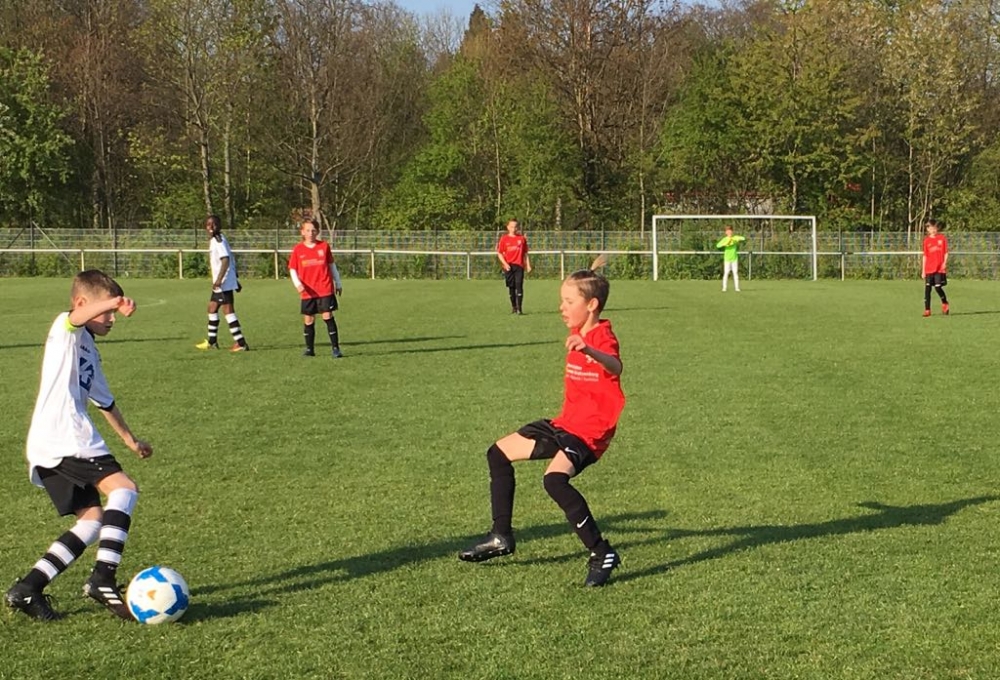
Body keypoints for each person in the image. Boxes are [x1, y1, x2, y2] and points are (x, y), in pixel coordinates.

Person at [459, 256, 626, 587]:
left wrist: (589, 350)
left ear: (592, 305)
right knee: (498, 453)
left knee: (554, 481)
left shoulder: (601, 336)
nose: (562, 308)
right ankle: (501, 536)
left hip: (590, 432)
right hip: (564, 424)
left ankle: (602, 552)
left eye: (569, 301)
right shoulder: (578, 331)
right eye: (562, 300)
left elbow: (615, 366)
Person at [5, 270, 153, 621]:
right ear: (83, 303)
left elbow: (105, 401)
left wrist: (131, 440)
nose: (112, 318)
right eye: (107, 312)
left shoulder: (89, 350)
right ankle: (103, 578)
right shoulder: (64, 329)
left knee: (91, 521)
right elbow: (76, 317)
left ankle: (27, 589)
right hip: (67, 437)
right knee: (125, 489)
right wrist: (115, 300)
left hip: (49, 443)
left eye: (114, 312)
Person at [288, 218, 343, 358]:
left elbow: (332, 266)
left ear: (317, 232)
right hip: (308, 291)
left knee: (327, 316)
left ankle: (335, 348)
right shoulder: (298, 249)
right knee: (309, 319)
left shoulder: (324, 246)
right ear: (302, 232)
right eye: (307, 230)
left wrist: (338, 283)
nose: (310, 233)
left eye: (313, 230)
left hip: (325, 287)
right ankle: (309, 349)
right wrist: (298, 284)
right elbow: (293, 269)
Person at [196, 215, 250, 351]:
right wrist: (235, 279)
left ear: (219, 226)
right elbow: (231, 259)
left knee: (228, 311)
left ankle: (241, 343)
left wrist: (219, 280)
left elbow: (225, 259)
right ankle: (212, 342)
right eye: (208, 224)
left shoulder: (218, 241)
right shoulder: (217, 239)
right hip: (225, 282)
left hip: (223, 283)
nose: (211, 227)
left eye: (214, 224)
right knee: (212, 308)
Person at [496, 219, 531, 314]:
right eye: (511, 226)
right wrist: (505, 264)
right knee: (511, 287)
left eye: (515, 227)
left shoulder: (521, 239)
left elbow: (525, 253)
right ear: (508, 227)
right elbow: (499, 253)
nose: (514, 228)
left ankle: (520, 308)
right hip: (509, 266)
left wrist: (528, 265)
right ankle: (514, 307)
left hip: (519, 265)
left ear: (517, 227)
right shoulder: (504, 239)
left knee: (519, 285)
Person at [922, 219, 949, 317]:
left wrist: (944, 263)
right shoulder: (926, 241)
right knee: (927, 289)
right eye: (931, 228)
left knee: (938, 288)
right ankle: (927, 310)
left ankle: (944, 303)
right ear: (927, 229)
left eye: (935, 228)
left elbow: (946, 252)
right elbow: (925, 256)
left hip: (939, 269)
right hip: (929, 268)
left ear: (937, 228)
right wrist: (923, 270)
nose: (933, 230)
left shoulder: (942, 238)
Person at [716, 225, 746, 292]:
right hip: (727, 259)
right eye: (728, 231)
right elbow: (718, 245)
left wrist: (738, 239)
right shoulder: (724, 239)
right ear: (726, 232)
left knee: (735, 273)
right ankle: (724, 288)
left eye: (730, 231)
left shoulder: (734, 238)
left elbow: (743, 238)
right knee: (726, 273)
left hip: (734, 258)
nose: (729, 232)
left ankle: (737, 288)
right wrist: (724, 244)